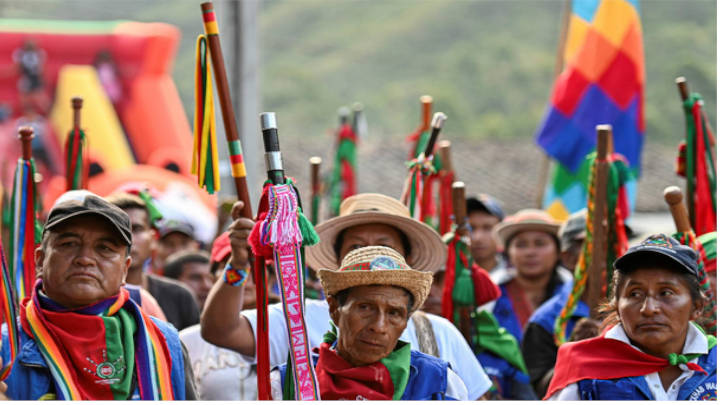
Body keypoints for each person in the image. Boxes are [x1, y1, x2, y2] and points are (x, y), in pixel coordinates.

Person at [201, 194, 493, 399]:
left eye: (384, 246)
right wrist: (238, 266)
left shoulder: (440, 360)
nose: (379, 326)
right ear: (334, 307)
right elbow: (220, 329)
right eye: (356, 247)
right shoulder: (295, 319)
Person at [0, 191, 195, 399]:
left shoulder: (166, 342)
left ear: (124, 270)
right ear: (40, 260)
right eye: (69, 244)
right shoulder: (5, 349)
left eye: (104, 248)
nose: (85, 259)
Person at [270, 246, 467, 399]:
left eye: (394, 313)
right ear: (334, 309)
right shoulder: (287, 384)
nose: (379, 326)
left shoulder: (439, 382)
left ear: (406, 321)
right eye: (364, 307)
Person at [546, 234, 716, 400]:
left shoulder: (714, 363)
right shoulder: (584, 371)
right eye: (635, 294)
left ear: (697, 306)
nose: (649, 309)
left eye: (666, 293)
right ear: (617, 307)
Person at [106, 193, 200, 331]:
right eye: (118, 229)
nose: (128, 238)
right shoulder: (87, 297)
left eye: (136, 229)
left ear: (153, 238)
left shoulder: (180, 296)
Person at [522, 209, 589, 397]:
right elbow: (543, 389)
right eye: (593, 245)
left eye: (613, 242)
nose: (607, 252)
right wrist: (578, 352)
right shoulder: (544, 321)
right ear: (568, 257)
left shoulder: (640, 309)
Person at [481, 209, 572, 344]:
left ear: (558, 252)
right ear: (508, 253)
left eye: (540, 243)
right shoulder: (491, 298)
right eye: (521, 245)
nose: (530, 252)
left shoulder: (572, 297)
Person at [467, 194, 506, 275]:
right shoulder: (448, 278)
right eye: (471, 228)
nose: (477, 238)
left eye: (487, 228)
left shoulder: (516, 278)